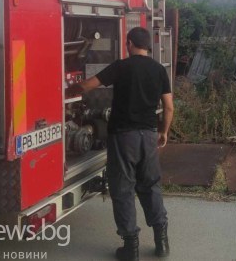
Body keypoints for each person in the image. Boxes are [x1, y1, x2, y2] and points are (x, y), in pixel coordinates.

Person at [68, 27, 174, 261]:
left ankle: (131, 248)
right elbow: (169, 107)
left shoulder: (121, 66)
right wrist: (164, 131)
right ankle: (162, 242)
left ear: (129, 43)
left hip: (124, 138)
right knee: (151, 185)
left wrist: (67, 91)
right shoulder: (158, 70)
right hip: (148, 137)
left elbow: (87, 85)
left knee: (123, 188)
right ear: (147, 45)